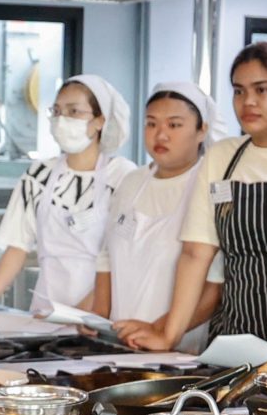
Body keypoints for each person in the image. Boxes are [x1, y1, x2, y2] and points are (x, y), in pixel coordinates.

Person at [118, 38, 267, 350]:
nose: (248, 102)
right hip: (228, 340)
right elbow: (196, 254)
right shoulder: (222, 156)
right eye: (239, 91)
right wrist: (168, 335)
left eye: (262, 90)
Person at [0, 76, 132, 317]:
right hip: (47, 310)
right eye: (56, 111)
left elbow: (124, 259)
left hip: (101, 313)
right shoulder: (39, 174)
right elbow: (17, 246)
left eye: (73, 111)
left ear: (100, 121)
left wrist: (81, 313)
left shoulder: (122, 177)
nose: (61, 119)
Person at [88, 83, 224, 342]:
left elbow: (215, 287)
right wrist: (98, 318)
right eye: (151, 124)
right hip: (119, 341)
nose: (160, 135)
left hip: (178, 347)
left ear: (202, 130)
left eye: (174, 125)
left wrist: (161, 330)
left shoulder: (210, 186)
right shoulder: (132, 182)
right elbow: (106, 258)